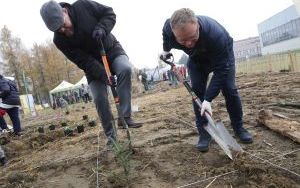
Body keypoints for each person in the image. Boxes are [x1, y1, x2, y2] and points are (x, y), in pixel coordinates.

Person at [40, 0, 142, 145]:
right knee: (99, 98)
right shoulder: (59, 40)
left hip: (111, 50)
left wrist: (102, 28)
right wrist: (103, 75)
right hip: (92, 66)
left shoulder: (83, 6)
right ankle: (112, 138)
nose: (62, 30)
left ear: (64, 11)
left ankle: (125, 116)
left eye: (63, 25)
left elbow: (109, 13)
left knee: (125, 68)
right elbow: (83, 60)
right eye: (58, 29)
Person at [161, 8, 253, 152]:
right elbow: (165, 36)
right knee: (196, 93)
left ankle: (239, 127)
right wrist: (166, 50)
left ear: (197, 24)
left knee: (229, 89)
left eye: (192, 37)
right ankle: (204, 133)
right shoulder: (169, 27)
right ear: (173, 31)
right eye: (182, 40)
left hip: (222, 57)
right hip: (197, 59)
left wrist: (208, 100)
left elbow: (222, 71)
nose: (189, 43)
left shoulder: (216, 35)